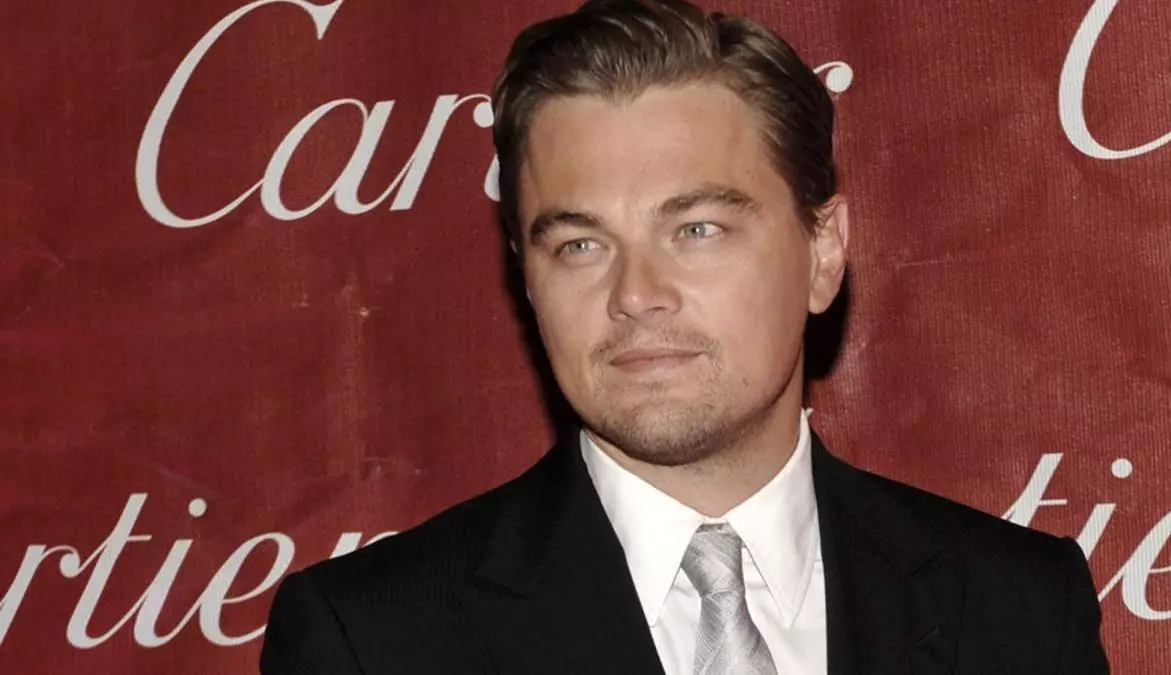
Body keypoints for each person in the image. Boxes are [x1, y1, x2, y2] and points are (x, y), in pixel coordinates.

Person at [260, 1, 1111, 673]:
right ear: (527, 276)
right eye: (580, 244)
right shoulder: (374, 641)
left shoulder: (1018, 612)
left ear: (823, 252)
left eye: (697, 229)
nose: (636, 294)